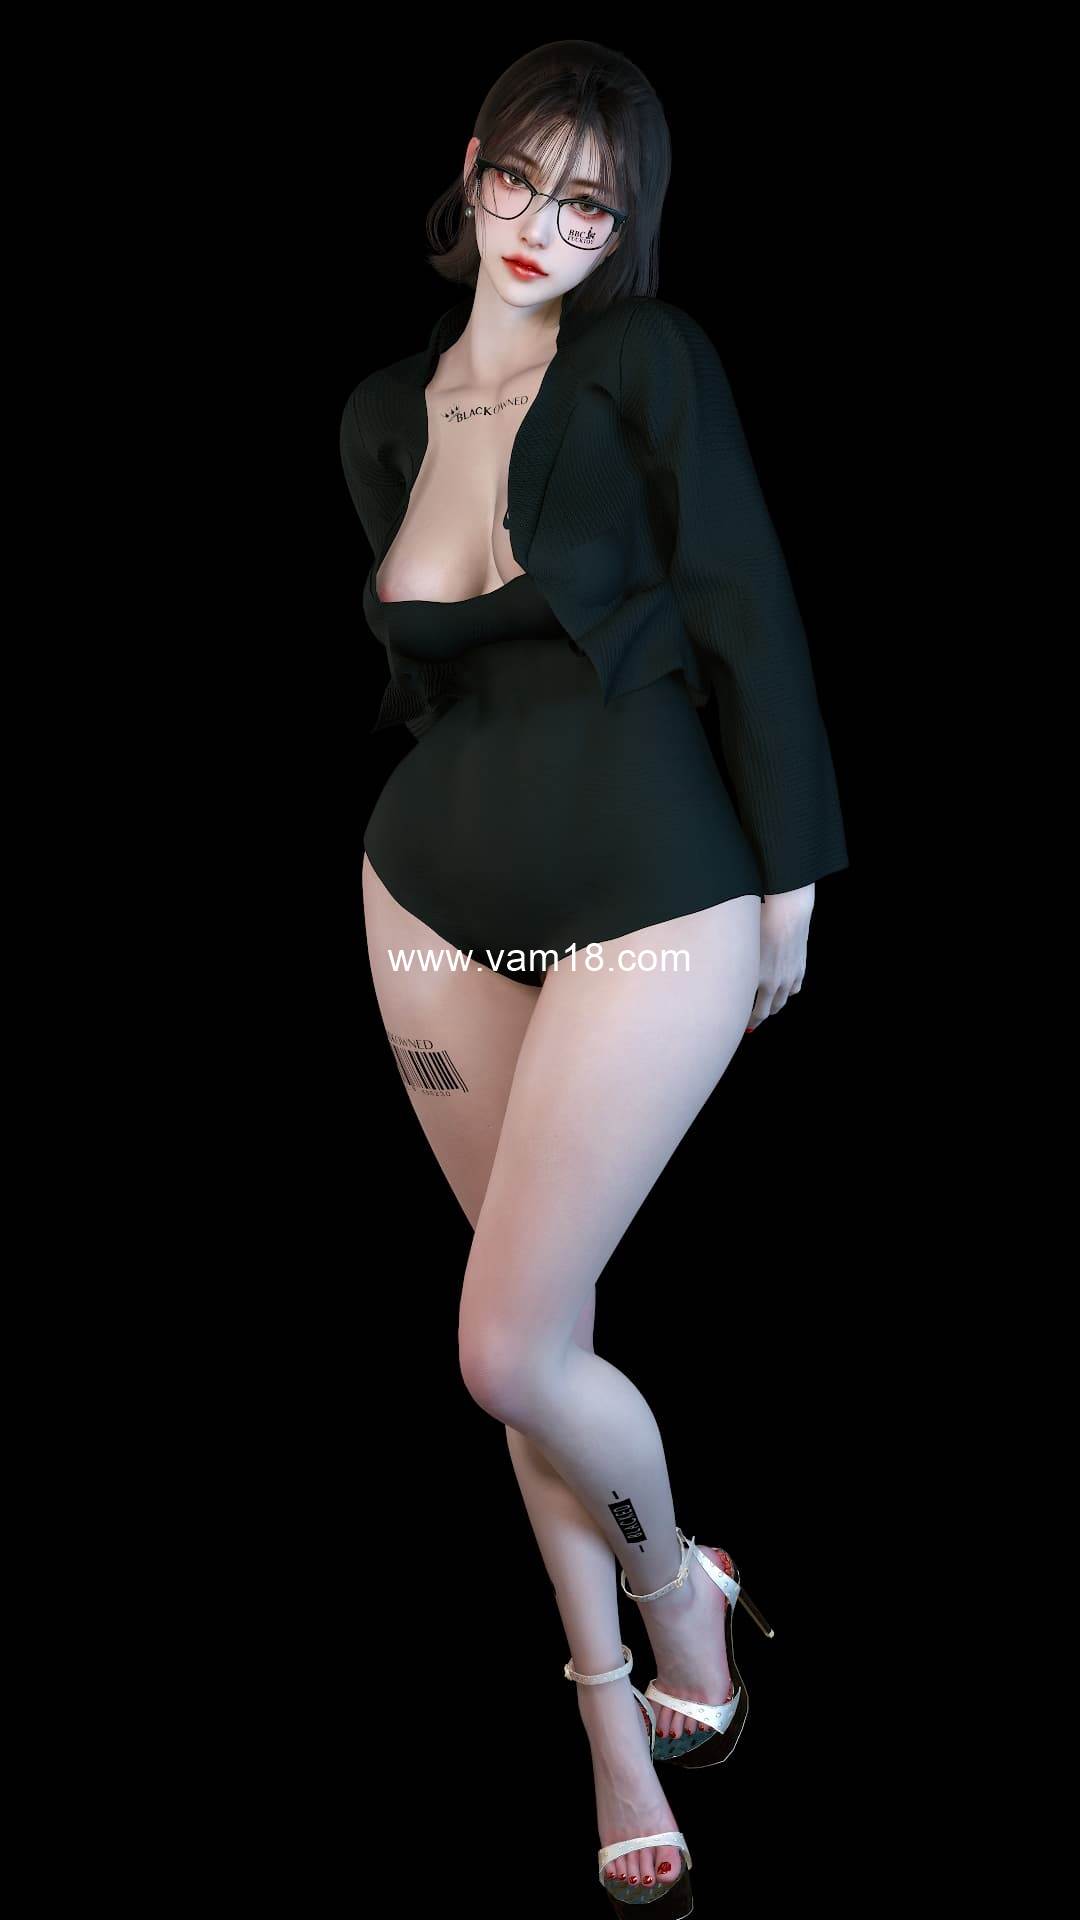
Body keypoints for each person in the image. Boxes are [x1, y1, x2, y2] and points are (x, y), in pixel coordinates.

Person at [339, 41, 846, 1912]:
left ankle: (674, 1588)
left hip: (655, 887)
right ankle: (616, 1725)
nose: (544, 229)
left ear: (623, 227)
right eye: (522, 183)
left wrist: (790, 885)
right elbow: (430, 681)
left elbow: (743, 598)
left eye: (589, 206)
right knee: (535, 1344)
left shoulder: (648, 362)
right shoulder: (378, 415)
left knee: (505, 1349)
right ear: (471, 165)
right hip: (427, 899)